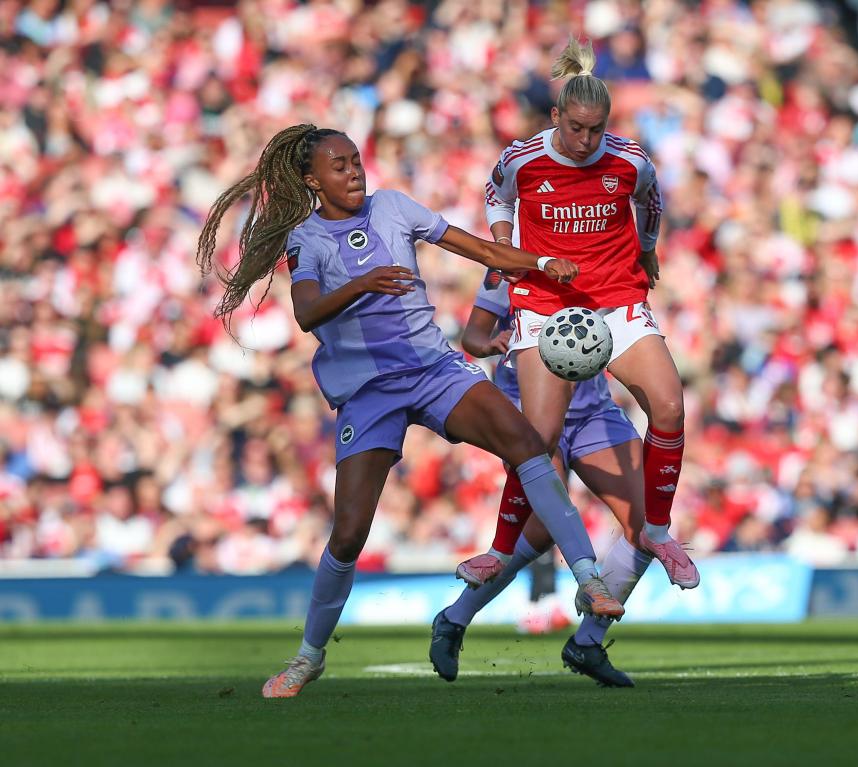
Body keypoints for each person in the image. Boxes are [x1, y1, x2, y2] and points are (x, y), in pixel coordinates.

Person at [196, 125, 626, 699]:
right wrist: (364, 283)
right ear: (311, 179)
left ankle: (590, 579)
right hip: (369, 393)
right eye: (339, 166)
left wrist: (540, 262)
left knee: (526, 443)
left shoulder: (395, 207)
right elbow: (306, 314)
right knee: (348, 536)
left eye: (355, 161)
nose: (354, 172)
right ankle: (309, 657)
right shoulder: (306, 240)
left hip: (433, 370)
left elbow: (479, 249)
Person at [480, 36, 699, 589]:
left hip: (617, 300)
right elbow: (497, 197)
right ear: (557, 116)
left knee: (669, 404)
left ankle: (657, 529)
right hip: (547, 305)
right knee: (540, 437)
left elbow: (651, 200)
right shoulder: (522, 159)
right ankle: (498, 548)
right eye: (576, 127)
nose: (585, 139)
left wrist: (648, 247)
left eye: (596, 128)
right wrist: (506, 246)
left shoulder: (628, 160)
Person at [429, 267, 651, 687]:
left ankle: (587, 641)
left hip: (592, 411)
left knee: (647, 523)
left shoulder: (603, 263)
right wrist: (497, 342)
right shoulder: (507, 270)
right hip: (528, 415)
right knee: (545, 527)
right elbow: (472, 337)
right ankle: (455, 618)